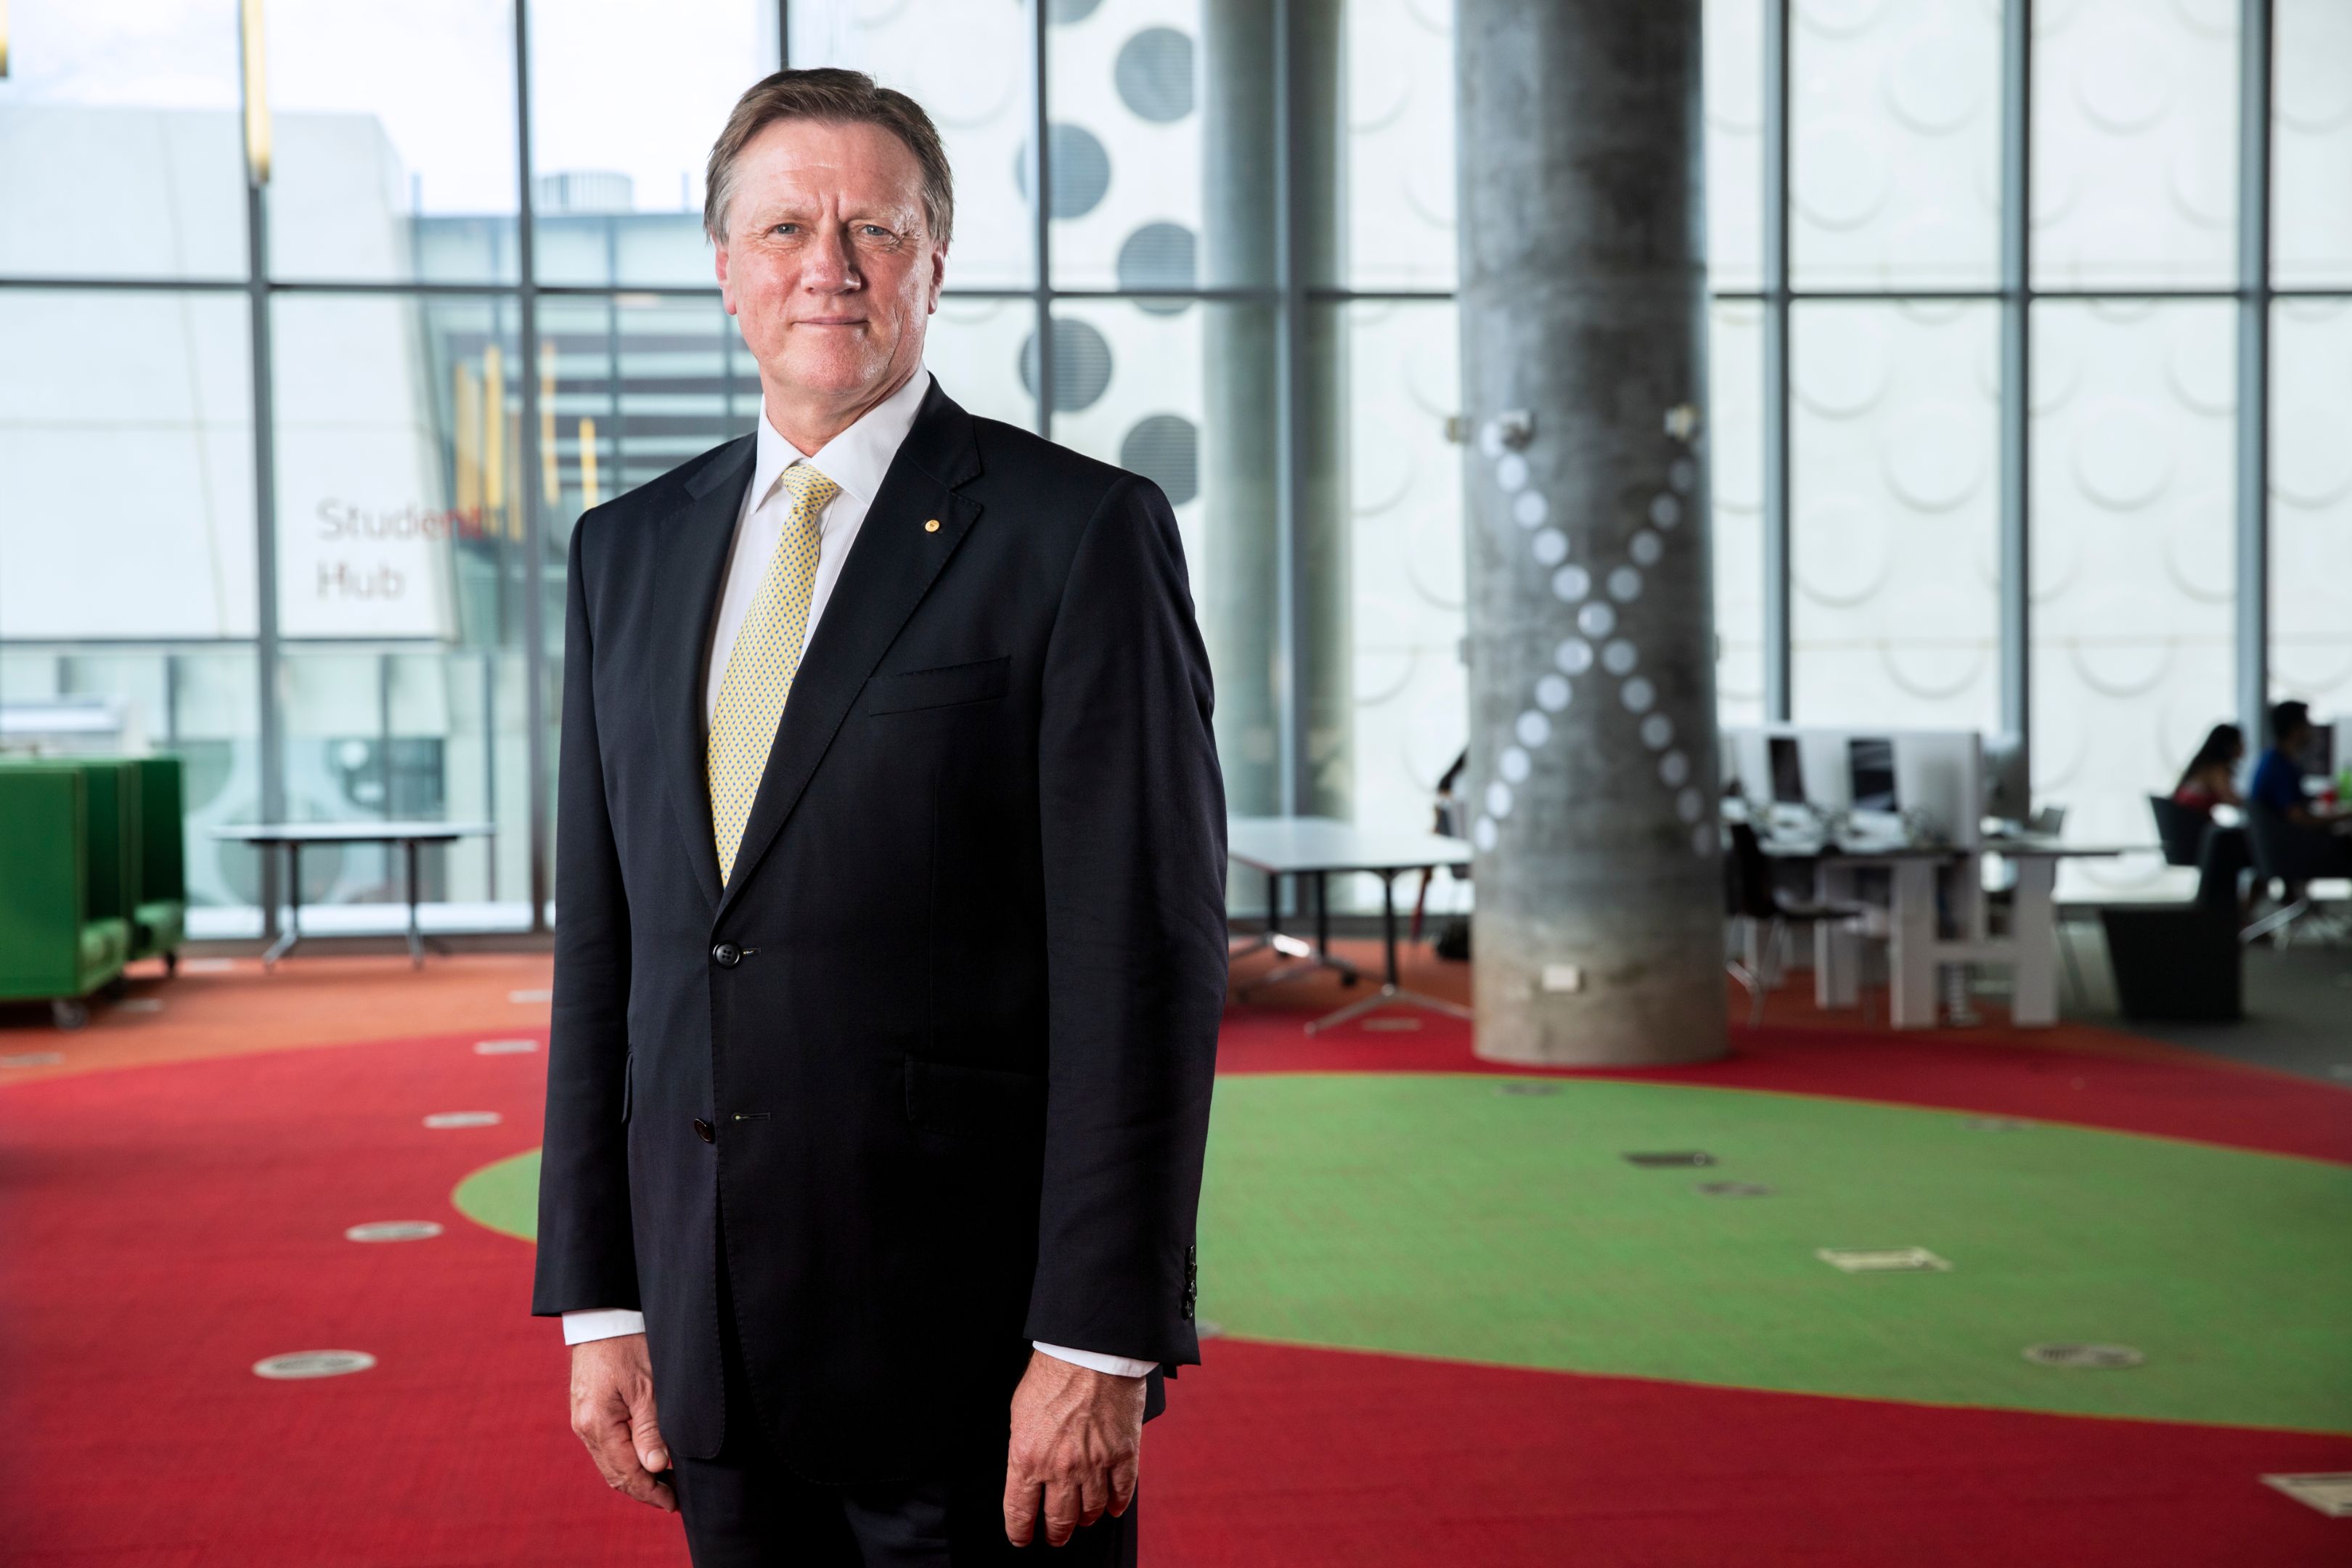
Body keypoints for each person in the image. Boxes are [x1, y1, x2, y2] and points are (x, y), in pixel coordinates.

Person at [533, 70, 1227, 1566]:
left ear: (935, 259)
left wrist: (1101, 1341)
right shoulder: (624, 553)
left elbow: (1145, 965)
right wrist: (604, 1300)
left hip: (975, 1363)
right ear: (726, 268)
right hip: (711, 1353)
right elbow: (615, 956)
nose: (827, 266)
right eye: (784, 226)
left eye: (875, 229)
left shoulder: (1079, 536)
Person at [2246, 700, 2352, 907]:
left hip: (2279, 852)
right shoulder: (2281, 768)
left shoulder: (2272, 760)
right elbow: (2300, 818)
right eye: (2307, 724)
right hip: (2293, 853)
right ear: (2295, 729)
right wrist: (2345, 815)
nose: (2311, 730)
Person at [2171, 723, 2244, 821]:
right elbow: (2230, 799)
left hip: (2183, 823)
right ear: (2229, 745)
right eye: (2240, 742)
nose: (2243, 746)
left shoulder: (2203, 764)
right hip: (2192, 824)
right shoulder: (2217, 768)